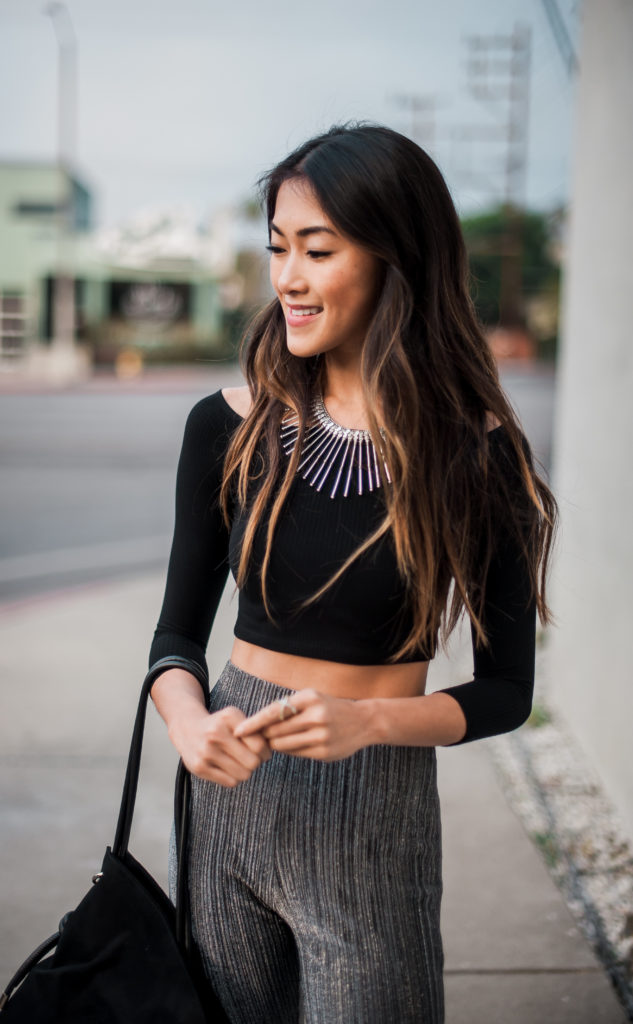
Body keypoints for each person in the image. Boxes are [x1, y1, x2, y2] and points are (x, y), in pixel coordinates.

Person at [147, 123, 557, 1024]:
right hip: (226, 802)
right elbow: (176, 636)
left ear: (392, 257)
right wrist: (185, 717)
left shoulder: (475, 460)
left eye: (317, 250)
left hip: (374, 806)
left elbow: (505, 692)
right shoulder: (228, 428)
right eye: (276, 249)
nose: (286, 278)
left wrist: (367, 720)